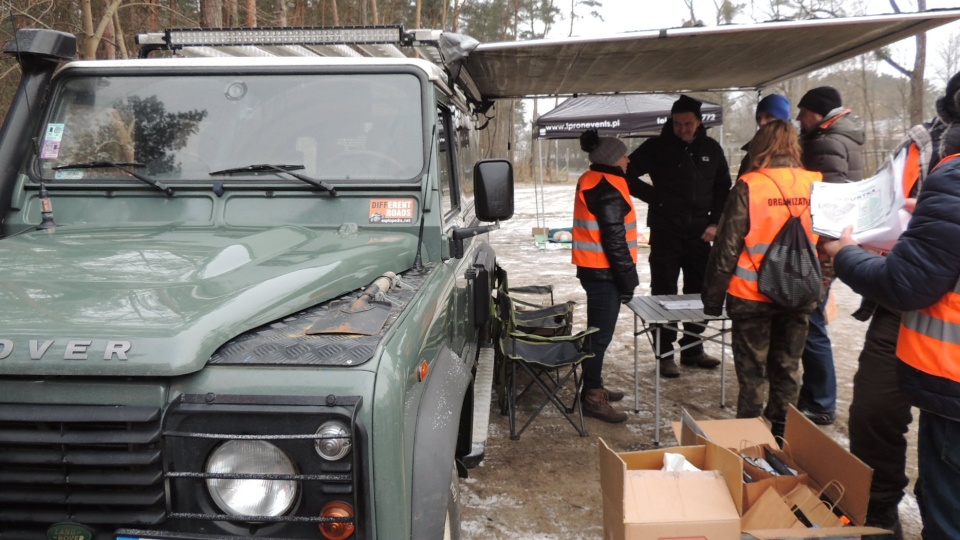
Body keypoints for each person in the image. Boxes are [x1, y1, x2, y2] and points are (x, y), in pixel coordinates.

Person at [822, 129, 960, 538]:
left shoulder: (951, 169)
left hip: (924, 309)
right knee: (873, 411)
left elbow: (908, 280)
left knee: (946, 472)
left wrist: (845, 253)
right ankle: (880, 510)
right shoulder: (919, 142)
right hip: (901, 310)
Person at [700, 120, 821, 439]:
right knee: (788, 368)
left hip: (751, 295)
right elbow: (828, 244)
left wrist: (712, 298)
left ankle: (749, 439)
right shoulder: (815, 183)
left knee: (752, 374)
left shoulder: (750, 185)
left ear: (760, 145)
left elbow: (727, 247)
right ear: (794, 145)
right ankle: (782, 434)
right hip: (798, 293)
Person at [626, 94, 732, 378]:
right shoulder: (656, 147)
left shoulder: (711, 148)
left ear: (699, 122)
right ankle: (664, 353)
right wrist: (655, 197)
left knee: (699, 292)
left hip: (701, 233)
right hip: (666, 231)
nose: (683, 129)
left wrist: (716, 223)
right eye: (677, 124)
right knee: (665, 292)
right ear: (670, 122)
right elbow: (625, 172)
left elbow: (724, 186)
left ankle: (693, 348)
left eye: (688, 123)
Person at [795, 86, 866, 426]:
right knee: (813, 319)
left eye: (803, 112)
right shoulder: (842, 137)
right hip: (830, 243)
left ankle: (821, 402)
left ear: (818, 113)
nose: (798, 118)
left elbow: (830, 200)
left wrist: (821, 246)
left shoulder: (825, 142)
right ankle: (813, 395)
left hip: (823, 246)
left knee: (812, 322)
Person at [572, 129, 637, 423]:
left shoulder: (597, 180)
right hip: (604, 273)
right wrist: (628, 279)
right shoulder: (607, 185)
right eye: (624, 154)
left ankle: (594, 386)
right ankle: (593, 398)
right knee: (599, 337)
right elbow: (614, 239)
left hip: (597, 270)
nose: (628, 160)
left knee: (596, 334)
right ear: (612, 158)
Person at [736, 93, 792, 178]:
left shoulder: (798, 151)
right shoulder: (752, 152)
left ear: (782, 121)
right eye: (759, 118)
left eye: (768, 117)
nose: (762, 122)